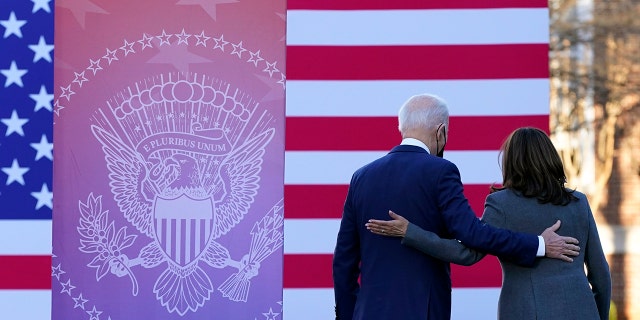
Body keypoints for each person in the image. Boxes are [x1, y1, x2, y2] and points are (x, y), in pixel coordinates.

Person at [332, 94, 580, 320]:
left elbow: (344, 261)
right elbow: (473, 234)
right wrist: (539, 245)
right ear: (440, 131)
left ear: (403, 128)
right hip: (425, 311)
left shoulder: (361, 177)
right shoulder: (441, 171)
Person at [367, 127, 611, 320]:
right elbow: (601, 276)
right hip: (583, 310)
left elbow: (466, 253)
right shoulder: (578, 202)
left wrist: (412, 232)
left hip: (524, 312)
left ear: (511, 161)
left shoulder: (501, 204)